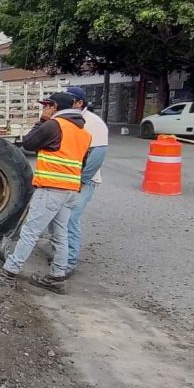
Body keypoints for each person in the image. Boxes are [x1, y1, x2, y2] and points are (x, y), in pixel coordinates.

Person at [0, 92, 92, 295]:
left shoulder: (55, 125)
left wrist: (42, 120)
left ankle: (8, 272)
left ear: (55, 107)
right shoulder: (83, 132)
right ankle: (56, 277)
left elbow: (29, 143)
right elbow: (81, 163)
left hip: (51, 188)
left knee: (30, 232)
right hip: (70, 191)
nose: (44, 108)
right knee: (60, 235)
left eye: (47, 105)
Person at [63, 86, 108, 274]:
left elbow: (97, 155)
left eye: (69, 101)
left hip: (83, 181)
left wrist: (80, 180)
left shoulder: (93, 123)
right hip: (66, 179)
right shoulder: (68, 120)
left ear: (79, 103)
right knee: (60, 219)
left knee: (70, 219)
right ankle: (61, 255)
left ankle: (69, 262)